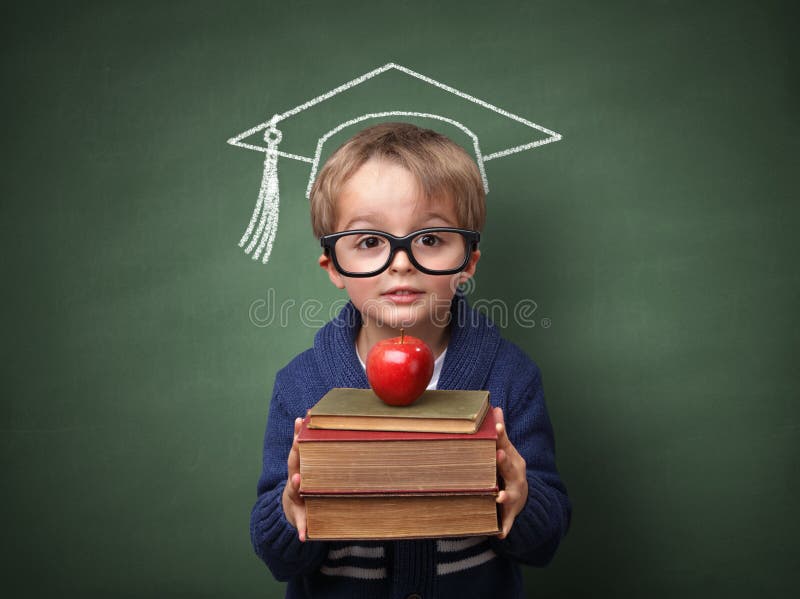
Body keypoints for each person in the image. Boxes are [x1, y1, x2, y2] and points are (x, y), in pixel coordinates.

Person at [250, 122, 571, 598]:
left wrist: (519, 501)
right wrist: (292, 509)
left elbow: (544, 544)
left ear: (468, 261)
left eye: (429, 239)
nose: (401, 262)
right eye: (369, 242)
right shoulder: (301, 384)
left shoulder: (510, 376)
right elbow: (278, 556)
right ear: (334, 266)